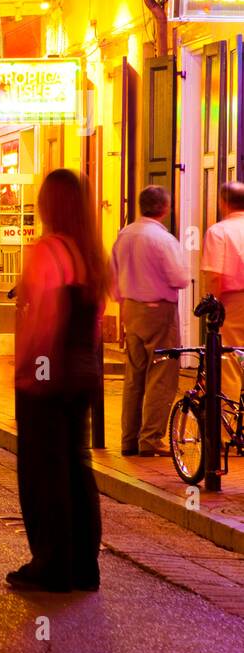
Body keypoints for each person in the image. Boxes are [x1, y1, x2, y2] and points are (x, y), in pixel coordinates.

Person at [10, 169, 105, 593]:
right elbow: (96, 323)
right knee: (76, 465)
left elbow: (44, 320)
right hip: (82, 373)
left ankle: (51, 562)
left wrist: (31, 369)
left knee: (43, 469)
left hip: (48, 373)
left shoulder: (48, 250)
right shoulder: (90, 255)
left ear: (50, 205)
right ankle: (84, 565)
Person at [110, 186, 190, 456]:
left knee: (134, 374)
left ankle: (128, 439)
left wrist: (122, 299)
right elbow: (179, 278)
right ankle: (151, 438)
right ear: (165, 208)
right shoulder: (163, 239)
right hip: (159, 310)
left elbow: (113, 275)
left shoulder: (124, 235)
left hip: (130, 308)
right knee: (161, 374)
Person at [202, 182, 244, 404]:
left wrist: (212, 305)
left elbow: (214, 276)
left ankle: (226, 431)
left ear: (223, 203)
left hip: (234, 303)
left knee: (229, 362)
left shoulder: (219, 231)